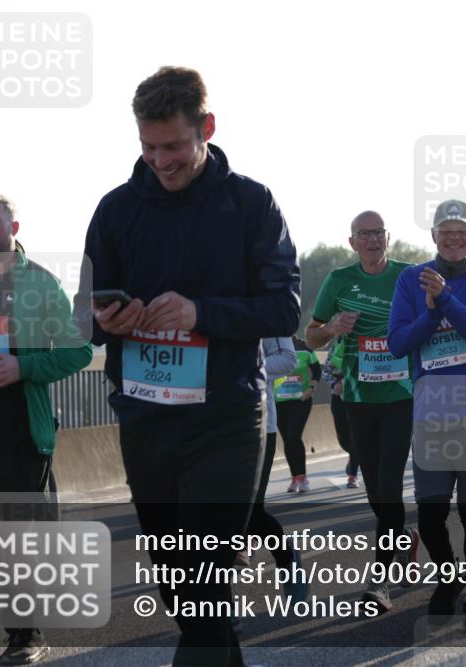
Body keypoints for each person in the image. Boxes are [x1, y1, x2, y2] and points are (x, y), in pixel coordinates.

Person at [76, 67, 300, 666]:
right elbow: (84, 314)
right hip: (146, 424)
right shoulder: (116, 210)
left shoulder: (252, 203)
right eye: (147, 147)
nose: (160, 161)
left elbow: (286, 306)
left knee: (205, 583)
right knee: (186, 593)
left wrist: (200, 311)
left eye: (173, 146)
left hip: (225, 421)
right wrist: (109, 321)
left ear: (207, 128)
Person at [0, 194, 92, 666]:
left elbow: (78, 352)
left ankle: (25, 635)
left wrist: (24, 366)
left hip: (23, 432)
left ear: (14, 225)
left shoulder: (40, 285)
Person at [388, 199, 466, 634]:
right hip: (433, 410)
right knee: (430, 515)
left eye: (462, 230)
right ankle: (449, 577)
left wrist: (444, 299)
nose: (454, 238)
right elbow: (398, 344)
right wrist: (434, 309)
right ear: (434, 236)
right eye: (446, 230)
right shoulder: (410, 278)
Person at [306, 210, 418, 613]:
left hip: (401, 397)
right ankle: (403, 536)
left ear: (388, 238)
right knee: (375, 491)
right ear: (352, 242)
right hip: (355, 396)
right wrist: (334, 326)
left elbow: (435, 316)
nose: (372, 240)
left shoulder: (410, 276)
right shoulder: (338, 280)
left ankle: (379, 581)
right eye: (363, 234)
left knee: (388, 487)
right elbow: (312, 334)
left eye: (377, 233)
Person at [234, 337, 301, 570]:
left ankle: (286, 557)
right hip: (210, 424)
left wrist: (237, 369)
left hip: (257, 424)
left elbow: (287, 359)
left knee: (251, 508)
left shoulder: (264, 305)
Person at [274, 337, 321, 492]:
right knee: (287, 439)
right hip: (279, 401)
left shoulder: (305, 347)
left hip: (300, 399)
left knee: (294, 435)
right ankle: (294, 477)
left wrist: (311, 389)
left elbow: (317, 371)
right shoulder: (272, 345)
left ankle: (303, 478)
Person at [326, 338, 360, 487]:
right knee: (344, 438)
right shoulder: (337, 345)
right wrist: (335, 384)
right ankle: (353, 455)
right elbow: (326, 370)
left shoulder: (363, 342)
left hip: (358, 395)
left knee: (356, 435)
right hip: (338, 395)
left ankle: (352, 475)